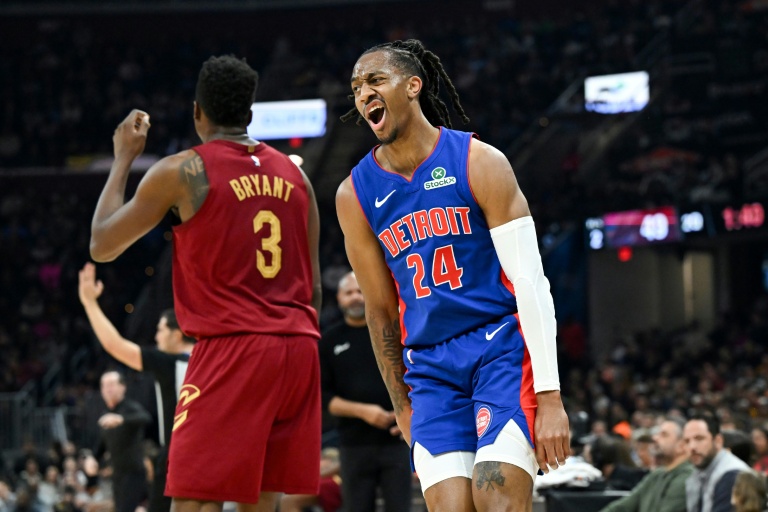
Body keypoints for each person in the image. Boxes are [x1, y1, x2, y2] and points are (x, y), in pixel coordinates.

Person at [335, 38, 569, 511]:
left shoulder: (480, 162)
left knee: (497, 498)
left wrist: (550, 397)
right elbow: (380, 311)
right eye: (357, 87)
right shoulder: (353, 194)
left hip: (498, 348)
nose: (363, 94)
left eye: (376, 80)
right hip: (430, 370)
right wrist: (402, 407)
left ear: (413, 86)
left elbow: (530, 282)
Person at [88, 55, 322, 512]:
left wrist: (123, 159)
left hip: (234, 348)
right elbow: (311, 285)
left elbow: (102, 245)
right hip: (299, 348)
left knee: (194, 503)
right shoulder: (297, 176)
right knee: (260, 501)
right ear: (250, 115)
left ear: (198, 111)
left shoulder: (184, 170)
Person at [78, 262, 195, 512]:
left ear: (176, 334)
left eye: (160, 330)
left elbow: (115, 345)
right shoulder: (211, 357)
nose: (156, 337)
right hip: (210, 455)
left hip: (177, 457)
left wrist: (89, 303)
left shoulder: (168, 361)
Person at [319, 272, 412, 512]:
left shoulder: (393, 333)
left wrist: (405, 413)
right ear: (339, 298)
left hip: (396, 441)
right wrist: (364, 412)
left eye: (360, 291)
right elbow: (323, 397)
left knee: (400, 508)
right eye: (349, 293)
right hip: (353, 444)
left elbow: (415, 378)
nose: (355, 298)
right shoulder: (329, 340)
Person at [600, 418, 694, 512]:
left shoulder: (687, 477)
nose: (655, 438)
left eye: (664, 435)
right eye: (658, 434)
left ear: (682, 445)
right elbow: (623, 506)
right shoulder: (657, 474)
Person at [96, 371, 151, 512]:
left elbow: (146, 418)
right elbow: (102, 444)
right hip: (117, 475)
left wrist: (122, 419)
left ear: (123, 387)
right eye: (104, 385)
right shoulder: (105, 414)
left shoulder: (129, 407)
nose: (108, 389)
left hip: (133, 473)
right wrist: (92, 458)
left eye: (111, 384)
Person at [684, 414, 750, 512]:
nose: (692, 447)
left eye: (699, 438)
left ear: (718, 441)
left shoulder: (732, 475)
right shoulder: (698, 473)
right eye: (687, 441)